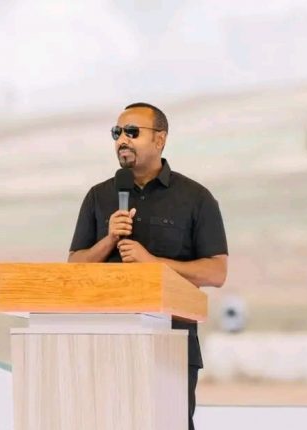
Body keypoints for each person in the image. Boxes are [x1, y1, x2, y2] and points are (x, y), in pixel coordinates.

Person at [68, 102, 228, 430]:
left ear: (160, 139)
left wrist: (154, 264)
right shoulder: (98, 196)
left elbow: (216, 272)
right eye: (116, 133)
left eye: (132, 132)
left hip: (171, 343)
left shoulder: (196, 198)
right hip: (104, 343)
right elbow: (74, 267)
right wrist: (109, 239)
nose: (122, 140)